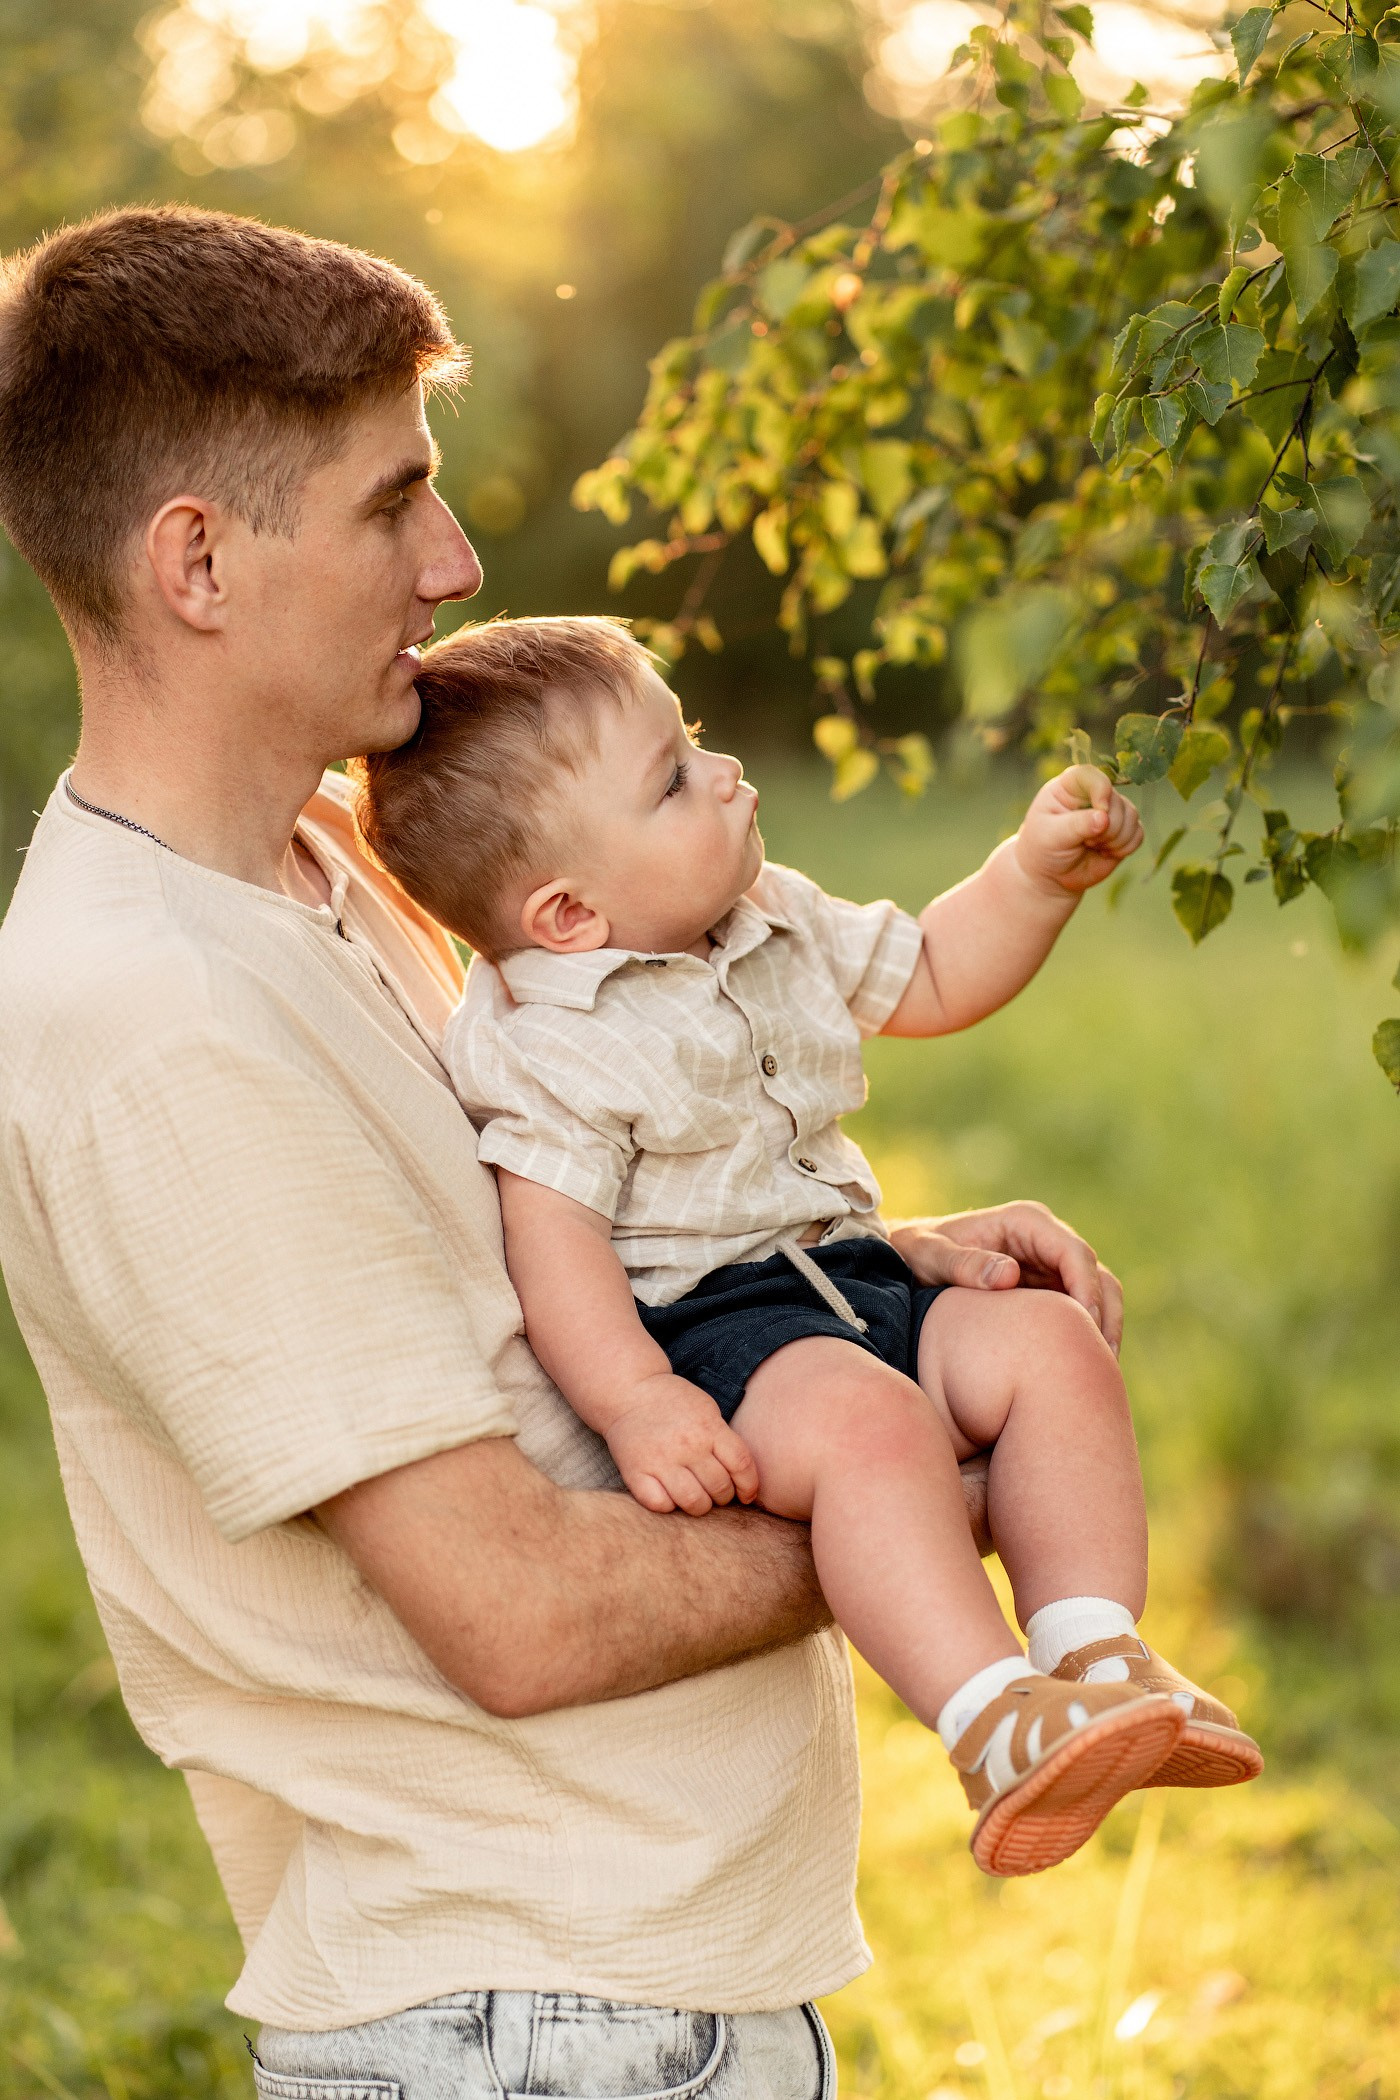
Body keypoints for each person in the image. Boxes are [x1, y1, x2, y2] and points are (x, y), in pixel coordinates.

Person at [0, 203, 1141, 2097]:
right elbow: (516, 1609)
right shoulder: (154, 1019)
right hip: (529, 2031)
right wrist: (946, 1442)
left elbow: (545, 1271)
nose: (453, 563)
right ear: (196, 560)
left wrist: (877, 1287)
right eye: (392, 504)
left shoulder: (320, 882)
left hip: (607, 2005)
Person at [355, 616, 1264, 1879]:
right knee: (871, 1430)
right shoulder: (548, 1047)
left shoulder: (764, 916)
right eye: (673, 780)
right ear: (567, 911)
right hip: (719, 1331)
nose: (724, 774)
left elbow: (935, 972)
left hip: (857, 1269)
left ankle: (1090, 1651)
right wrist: (637, 1404)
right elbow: (550, 1242)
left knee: (1045, 1344)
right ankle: (990, 1720)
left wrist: (1032, 877)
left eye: (700, 746)